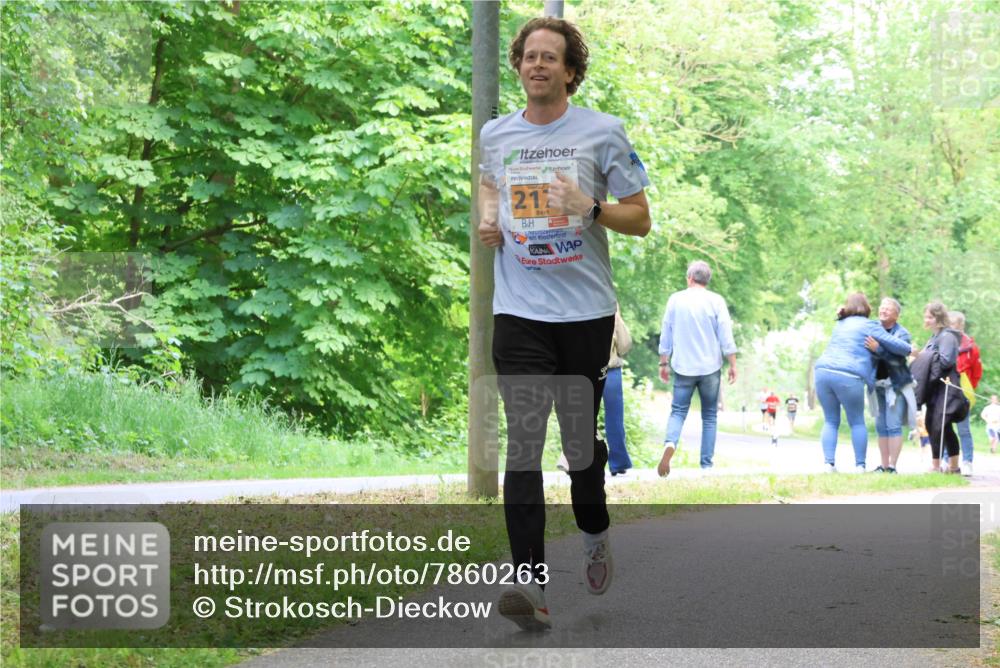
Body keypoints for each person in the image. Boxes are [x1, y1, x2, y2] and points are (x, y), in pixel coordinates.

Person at [477, 16, 651, 632]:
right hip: (518, 311)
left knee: (580, 451)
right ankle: (531, 587)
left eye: (551, 57)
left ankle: (595, 532)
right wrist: (491, 216)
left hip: (584, 314)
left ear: (571, 72)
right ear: (519, 66)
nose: (537, 65)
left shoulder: (603, 133)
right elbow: (488, 186)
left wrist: (591, 207)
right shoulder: (496, 135)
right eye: (529, 56)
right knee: (523, 444)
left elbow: (641, 219)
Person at [813, 293, 912, 473]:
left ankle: (829, 464)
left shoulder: (840, 323)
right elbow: (903, 348)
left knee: (830, 421)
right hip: (848, 375)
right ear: (866, 307)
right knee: (857, 422)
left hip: (822, 372)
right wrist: (913, 350)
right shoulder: (870, 325)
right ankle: (860, 466)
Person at [656, 260, 738, 475]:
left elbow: (667, 333)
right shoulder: (716, 301)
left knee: (678, 411)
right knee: (710, 415)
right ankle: (706, 465)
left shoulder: (676, 300)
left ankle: (670, 443)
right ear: (706, 280)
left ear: (690, 278)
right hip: (710, 368)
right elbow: (726, 335)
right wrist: (733, 364)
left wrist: (663, 362)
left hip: (683, 367)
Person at [911, 302, 967, 473]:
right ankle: (948, 466)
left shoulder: (947, 336)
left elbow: (945, 361)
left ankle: (944, 466)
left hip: (947, 388)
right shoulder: (934, 337)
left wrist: (925, 357)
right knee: (935, 424)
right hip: (934, 388)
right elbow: (929, 359)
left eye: (929, 317)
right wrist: (919, 356)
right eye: (926, 316)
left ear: (938, 318)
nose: (926, 320)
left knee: (940, 424)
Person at [863, 297, 915, 474]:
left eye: (888, 309)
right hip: (876, 384)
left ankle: (893, 466)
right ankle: (883, 465)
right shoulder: (872, 328)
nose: (883, 310)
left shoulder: (902, 334)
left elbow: (899, 359)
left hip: (896, 385)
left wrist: (878, 349)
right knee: (881, 425)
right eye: (882, 307)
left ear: (897, 315)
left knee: (893, 425)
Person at [948, 311, 982, 476]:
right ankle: (947, 459)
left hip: (963, 393)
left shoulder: (971, 348)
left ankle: (967, 461)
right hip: (946, 391)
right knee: (945, 427)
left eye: (953, 324)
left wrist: (969, 388)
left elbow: (977, 372)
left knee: (964, 429)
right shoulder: (943, 342)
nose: (950, 327)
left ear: (961, 326)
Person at [604, 305, 633, 475]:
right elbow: (624, 345)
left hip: (585, 368)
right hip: (611, 370)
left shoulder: (577, 298)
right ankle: (618, 463)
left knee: (582, 418)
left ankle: (574, 462)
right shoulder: (610, 303)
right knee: (614, 419)